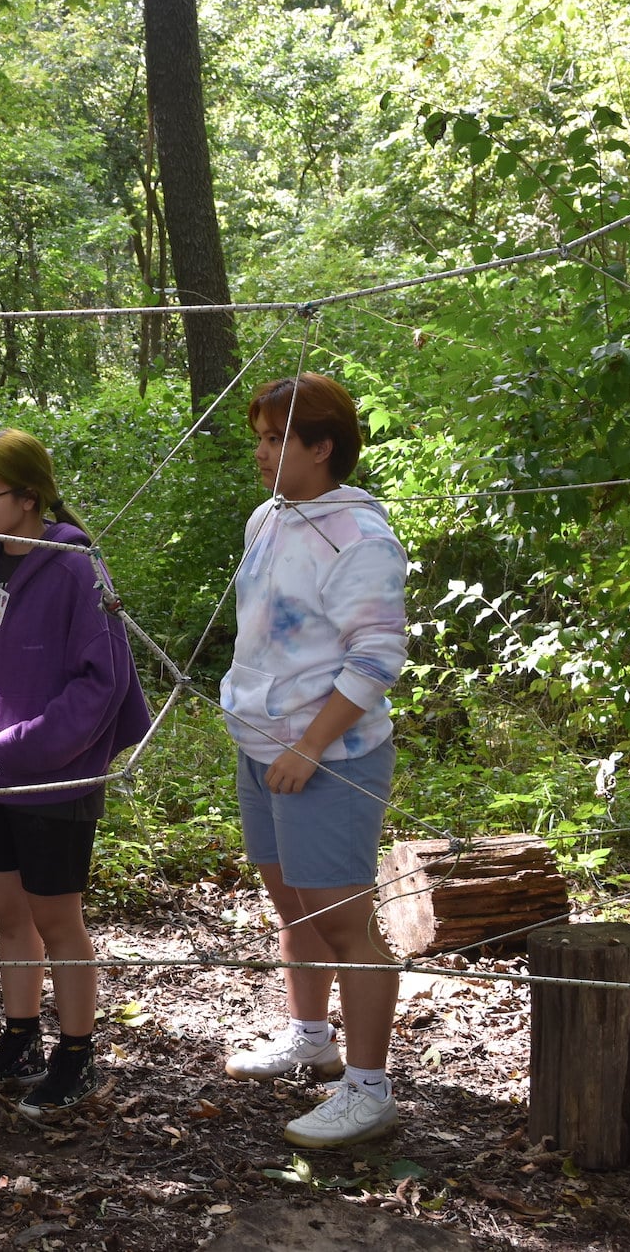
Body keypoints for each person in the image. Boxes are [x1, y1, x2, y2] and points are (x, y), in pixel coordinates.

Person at [0, 429, 151, 1118]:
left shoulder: (78, 568)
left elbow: (103, 682)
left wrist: (27, 742)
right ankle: (20, 1039)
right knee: (8, 913)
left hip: (53, 776)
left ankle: (76, 1055)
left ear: (30, 496)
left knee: (57, 918)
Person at [219, 372, 409, 1148]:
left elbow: (376, 658)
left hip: (328, 757)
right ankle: (311, 1038)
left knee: (343, 925)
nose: (261, 455)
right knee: (294, 908)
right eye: (259, 439)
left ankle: (369, 1089)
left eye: (275, 440)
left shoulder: (361, 537)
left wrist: (309, 745)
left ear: (321, 447)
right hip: (263, 751)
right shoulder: (269, 517)